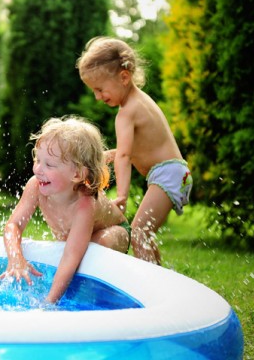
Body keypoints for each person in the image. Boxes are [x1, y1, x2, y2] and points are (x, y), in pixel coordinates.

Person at [76, 36, 193, 265]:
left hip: (167, 175)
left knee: (138, 232)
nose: (97, 97)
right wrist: (108, 156)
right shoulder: (140, 101)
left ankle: (150, 287)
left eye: (100, 89)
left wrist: (122, 194)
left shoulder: (126, 112)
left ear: (124, 77)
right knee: (144, 233)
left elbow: (125, 156)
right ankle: (160, 278)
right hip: (175, 173)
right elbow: (137, 147)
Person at [0, 115, 130, 304]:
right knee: (73, 247)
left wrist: (49, 303)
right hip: (79, 237)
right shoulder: (36, 186)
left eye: (49, 164)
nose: (38, 169)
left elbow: (70, 257)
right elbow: (13, 226)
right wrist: (16, 257)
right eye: (37, 159)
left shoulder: (85, 203)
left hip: (117, 232)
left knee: (93, 247)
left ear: (77, 174)